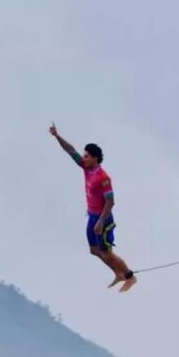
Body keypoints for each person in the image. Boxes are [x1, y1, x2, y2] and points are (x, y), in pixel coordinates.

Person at [49, 124, 137, 292]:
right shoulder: (86, 168)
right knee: (94, 250)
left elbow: (111, 201)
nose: (84, 158)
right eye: (84, 155)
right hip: (92, 216)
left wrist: (101, 221)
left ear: (95, 158)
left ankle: (129, 276)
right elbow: (70, 151)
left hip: (102, 218)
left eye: (87, 156)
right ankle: (118, 273)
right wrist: (56, 136)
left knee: (106, 253)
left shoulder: (103, 178)